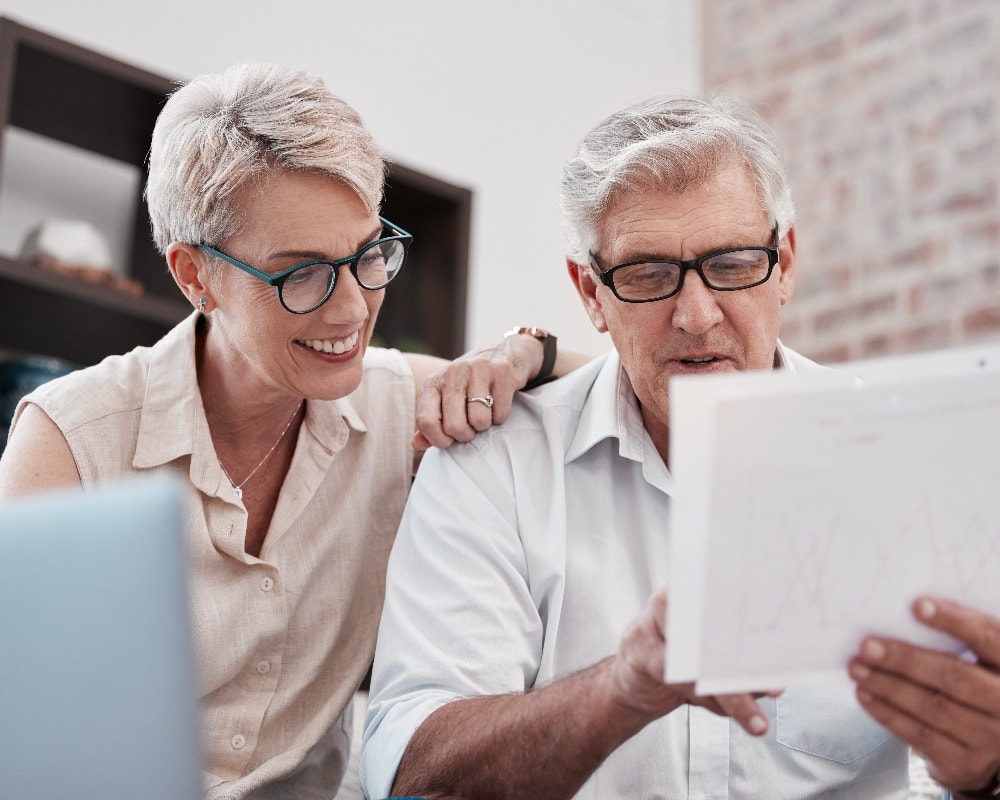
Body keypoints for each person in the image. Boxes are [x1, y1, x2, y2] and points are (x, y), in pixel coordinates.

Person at [360, 93, 1000, 799]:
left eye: (731, 264)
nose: (696, 316)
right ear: (591, 294)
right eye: (647, 275)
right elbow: (413, 771)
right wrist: (625, 688)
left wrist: (980, 775)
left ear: (783, 263)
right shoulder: (492, 467)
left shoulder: (912, 465)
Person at [0, 62, 584, 800]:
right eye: (301, 274)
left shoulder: (397, 402)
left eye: (368, 255)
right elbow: (24, 735)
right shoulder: (73, 440)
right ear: (194, 276)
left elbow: (615, 391)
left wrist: (521, 348)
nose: (350, 311)